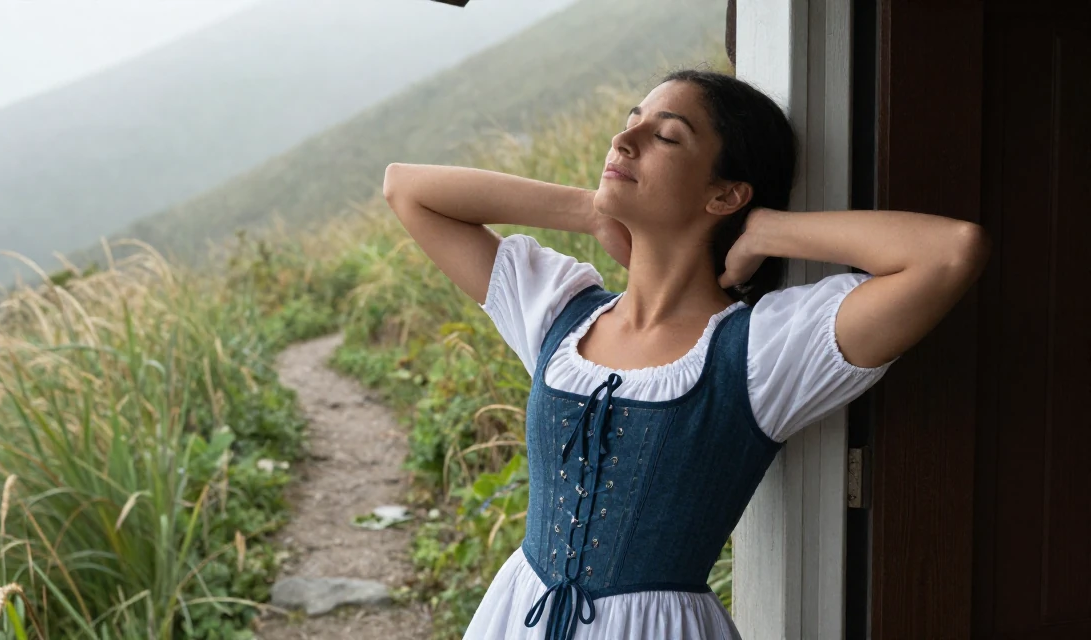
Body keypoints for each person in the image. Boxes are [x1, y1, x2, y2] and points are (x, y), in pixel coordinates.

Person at [381, 69, 989, 640]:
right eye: (631, 119)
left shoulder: (759, 350)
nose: (624, 138)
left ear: (724, 194)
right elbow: (406, 189)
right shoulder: (558, 314)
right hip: (520, 616)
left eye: (665, 135)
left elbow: (950, 252)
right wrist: (586, 208)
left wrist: (770, 230)